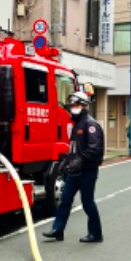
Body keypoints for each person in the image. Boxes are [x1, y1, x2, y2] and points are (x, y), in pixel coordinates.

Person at [43, 91, 105, 243]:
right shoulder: (77, 124)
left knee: (87, 202)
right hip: (74, 171)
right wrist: (67, 161)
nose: (73, 108)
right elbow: (74, 148)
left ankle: (96, 233)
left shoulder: (91, 125)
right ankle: (58, 230)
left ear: (84, 106)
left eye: (76, 105)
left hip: (87, 171)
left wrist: (80, 160)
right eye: (72, 105)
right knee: (65, 200)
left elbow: (94, 149)